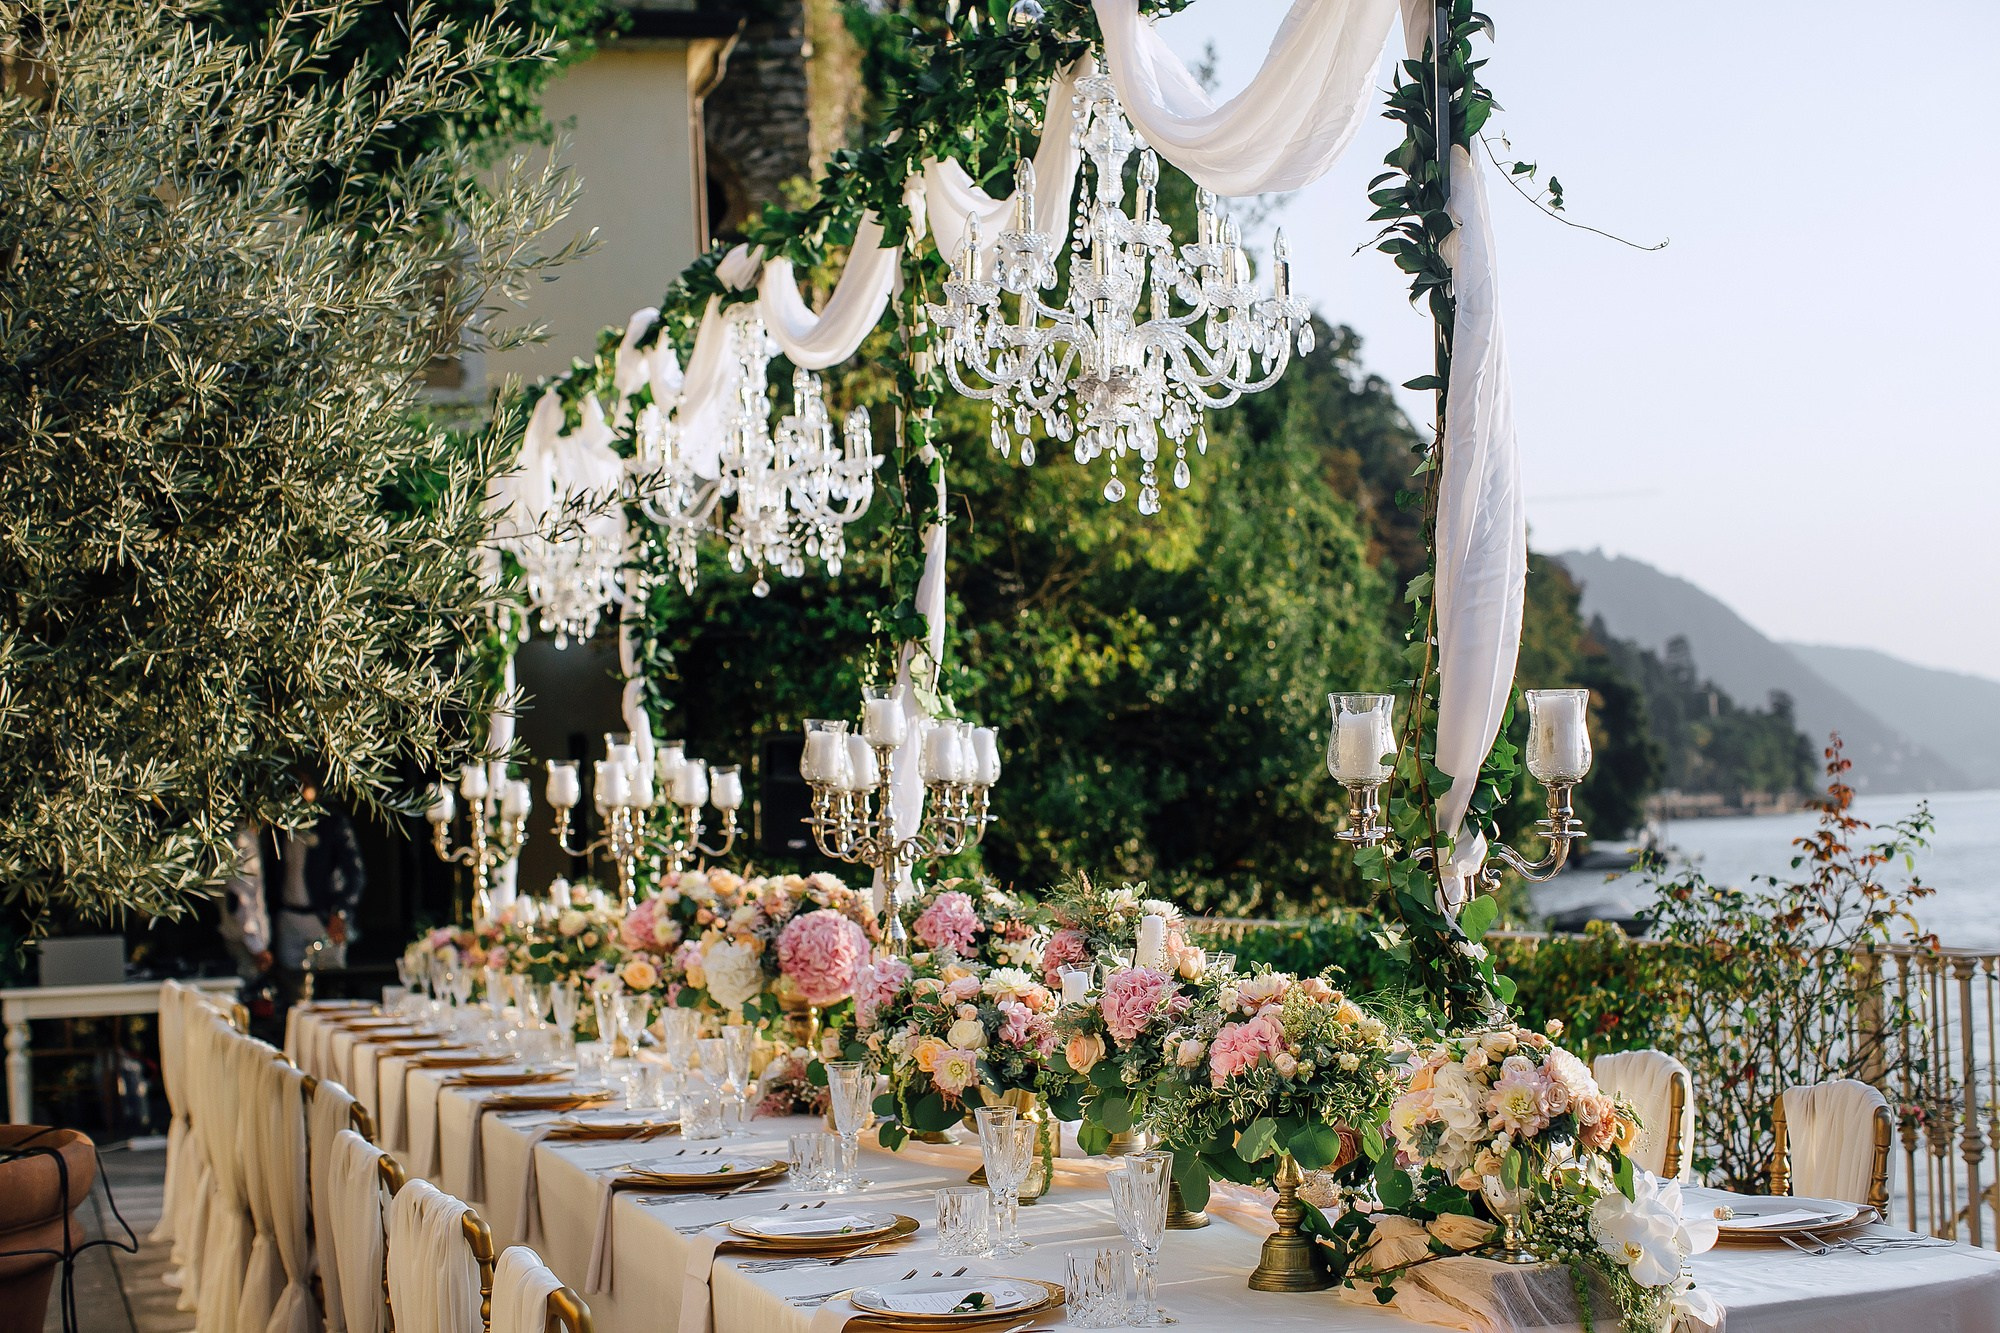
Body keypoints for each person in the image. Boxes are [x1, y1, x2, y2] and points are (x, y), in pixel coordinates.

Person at [223, 794, 367, 1007]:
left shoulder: (331, 823)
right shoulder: (269, 832)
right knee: (292, 990)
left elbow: (354, 874)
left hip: (323, 917)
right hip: (288, 918)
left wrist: (341, 911)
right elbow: (245, 891)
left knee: (331, 986)